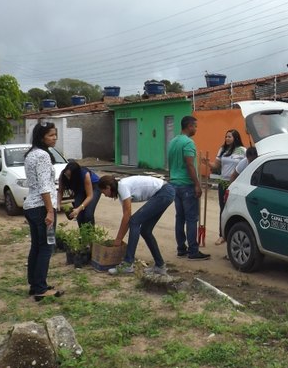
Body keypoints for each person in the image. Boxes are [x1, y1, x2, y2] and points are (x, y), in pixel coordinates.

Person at [97, 175, 175, 276]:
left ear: (108, 187)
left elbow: (128, 216)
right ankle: (160, 266)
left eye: (104, 192)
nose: (105, 195)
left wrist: (118, 238)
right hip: (165, 193)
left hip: (164, 193)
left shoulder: (122, 186)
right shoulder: (122, 192)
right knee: (145, 231)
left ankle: (128, 264)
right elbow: (126, 218)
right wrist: (119, 239)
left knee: (134, 221)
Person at [23, 121, 64, 301]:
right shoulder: (42, 156)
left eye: (55, 134)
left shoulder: (31, 154)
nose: (54, 138)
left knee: (37, 247)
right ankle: (40, 288)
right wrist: (50, 211)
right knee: (47, 248)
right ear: (41, 137)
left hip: (31, 206)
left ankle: (35, 284)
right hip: (41, 208)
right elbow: (44, 186)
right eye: (50, 135)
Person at [167, 116, 209, 260]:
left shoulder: (172, 142)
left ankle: (181, 248)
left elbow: (171, 163)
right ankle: (193, 251)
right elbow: (190, 165)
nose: (196, 129)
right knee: (191, 219)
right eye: (195, 126)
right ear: (189, 126)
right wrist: (197, 184)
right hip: (186, 185)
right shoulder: (189, 143)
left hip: (174, 184)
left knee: (180, 217)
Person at [209, 129, 246, 245]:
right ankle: (222, 235)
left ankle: (232, 234)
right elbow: (216, 165)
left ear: (236, 138)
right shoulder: (223, 149)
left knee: (234, 209)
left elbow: (248, 165)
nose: (227, 139)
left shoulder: (242, 151)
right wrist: (207, 162)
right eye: (226, 137)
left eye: (229, 137)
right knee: (223, 209)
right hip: (223, 183)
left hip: (235, 184)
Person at [57, 161, 101, 227]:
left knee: (88, 214)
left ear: (75, 175)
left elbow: (90, 196)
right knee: (79, 215)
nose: (68, 178)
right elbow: (60, 191)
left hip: (94, 186)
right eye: (67, 174)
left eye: (70, 175)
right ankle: (83, 235)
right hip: (80, 189)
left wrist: (79, 208)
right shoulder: (63, 175)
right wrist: (58, 204)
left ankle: (90, 236)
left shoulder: (85, 175)